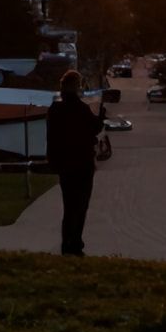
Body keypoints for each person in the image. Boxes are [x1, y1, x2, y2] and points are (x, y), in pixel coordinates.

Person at [46, 69, 105, 256]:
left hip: (65, 165)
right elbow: (95, 128)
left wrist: (52, 160)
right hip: (83, 165)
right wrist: (101, 115)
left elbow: (51, 138)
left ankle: (68, 244)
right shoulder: (81, 109)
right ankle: (75, 243)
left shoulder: (55, 110)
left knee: (69, 205)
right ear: (77, 88)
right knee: (80, 205)